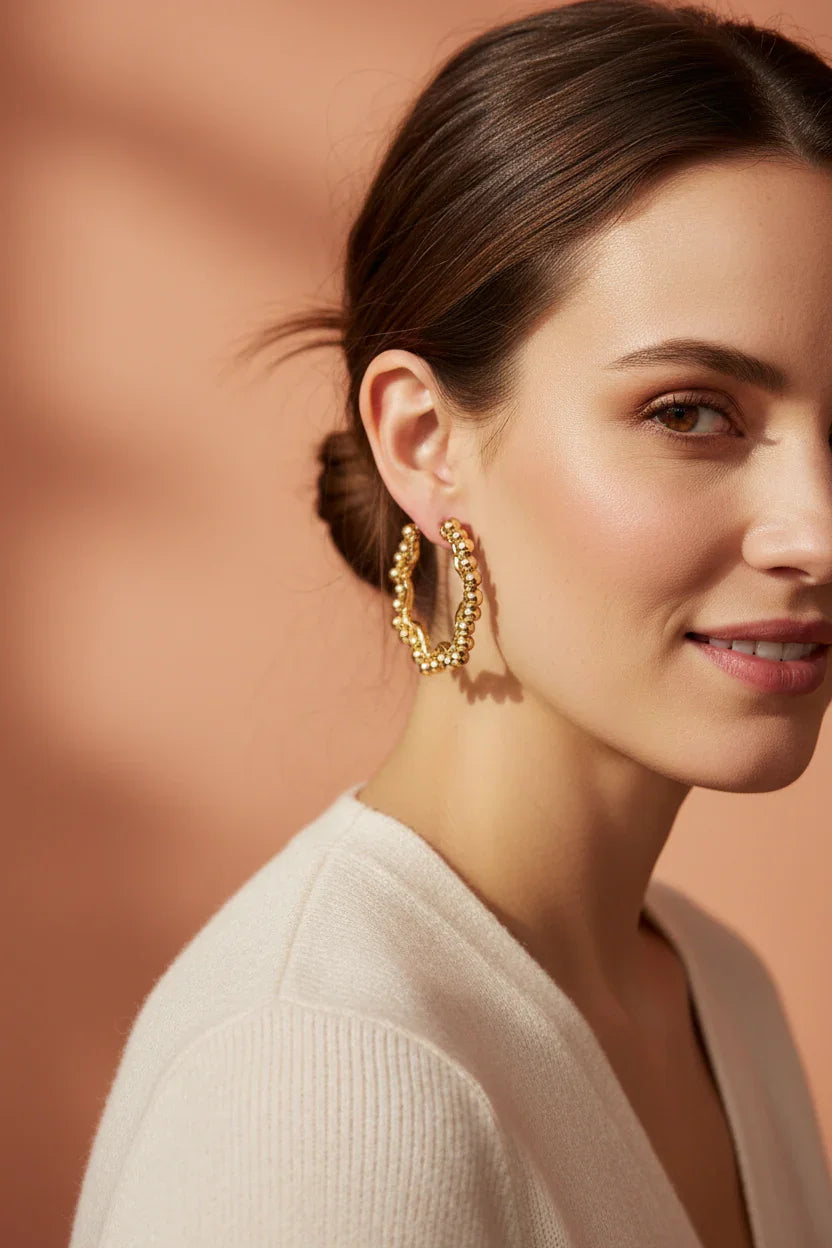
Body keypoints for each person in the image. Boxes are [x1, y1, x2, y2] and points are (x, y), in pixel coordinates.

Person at [69, 1, 832, 1244]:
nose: (815, 529)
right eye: (691, 413)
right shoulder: (319, 1076)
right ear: (424, 442)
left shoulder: (715, 990)